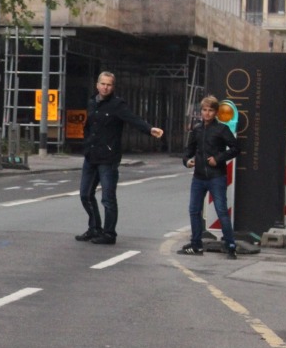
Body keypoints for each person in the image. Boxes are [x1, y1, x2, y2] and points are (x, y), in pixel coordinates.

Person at [76, 71, 164, 245]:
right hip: (91, 155)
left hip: (108, 158)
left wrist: (149, 129)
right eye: (103, 83)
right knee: (85, 195)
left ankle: (109, 234)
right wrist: (86, 144)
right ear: (97, 84)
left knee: (108, 198)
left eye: (109, 84)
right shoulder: (92, 102)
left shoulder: (117, 105)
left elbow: (133, 119)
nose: (105, 87)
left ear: (113, 87)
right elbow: (88, 126)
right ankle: (94, 228)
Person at [179, 95, 240, 259]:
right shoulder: (197, 129)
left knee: (221, 211)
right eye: (204, 110)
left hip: (216, 176)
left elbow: (235, 148)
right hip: (198, 177)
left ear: (216, 112)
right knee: (194, 210)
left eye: (210, 110)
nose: (207, 113)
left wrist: (218, 159)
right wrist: (187, 161)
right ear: (201, 112)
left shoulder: (222, 129)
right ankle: (196, 244)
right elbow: (188, 150)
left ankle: (230, 245)